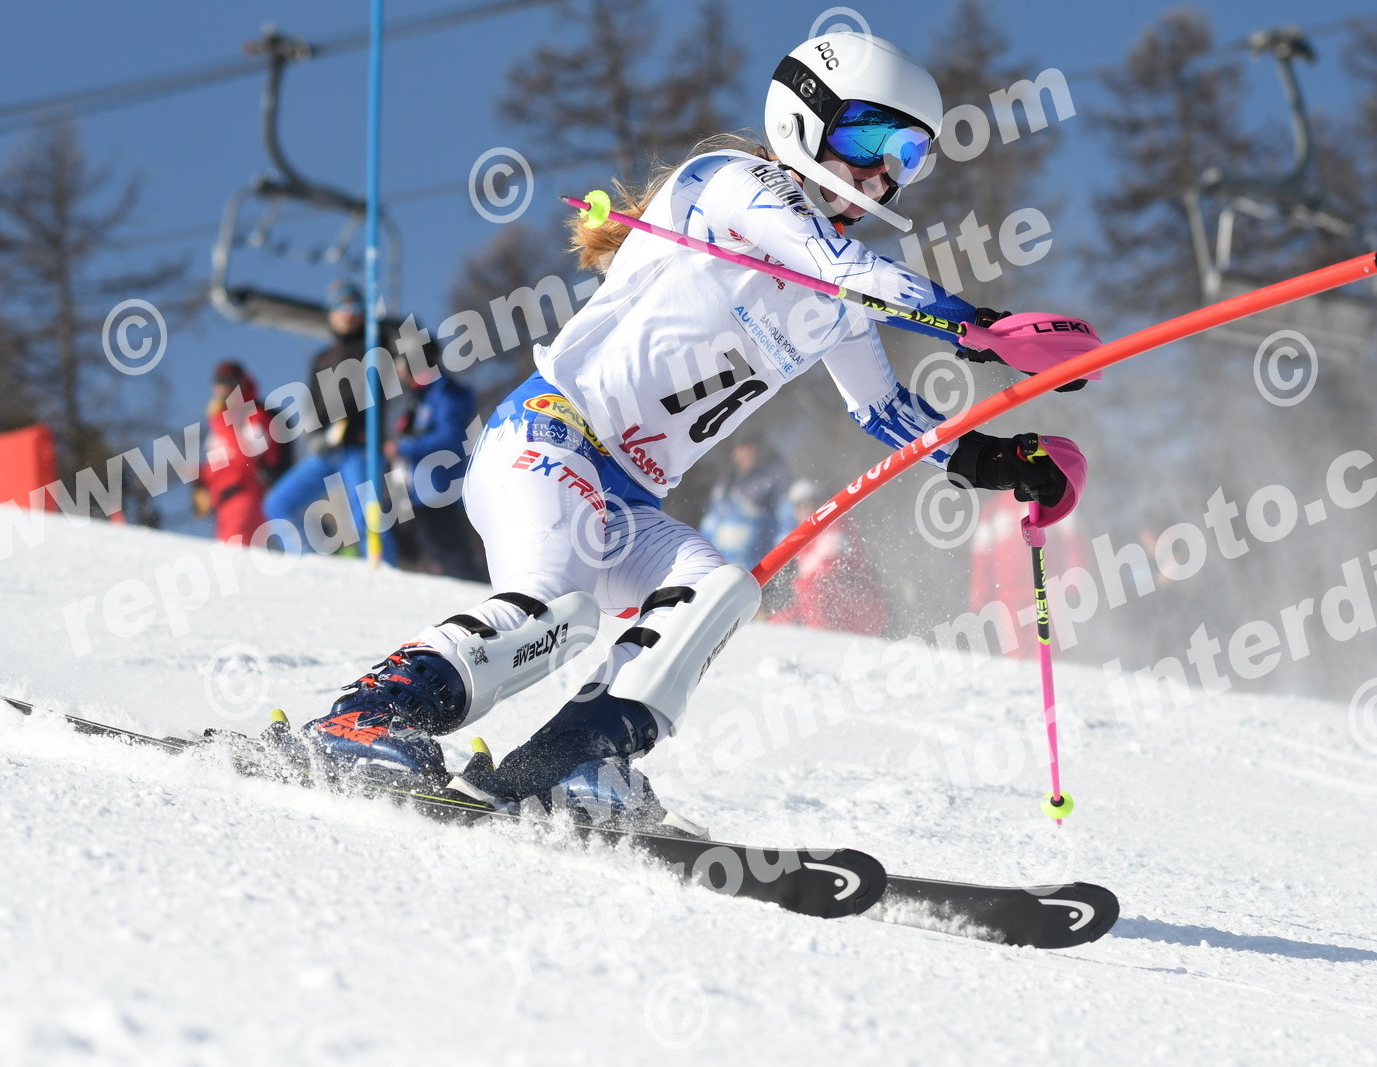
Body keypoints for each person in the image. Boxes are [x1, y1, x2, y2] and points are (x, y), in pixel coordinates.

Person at [294, 32, 1080, 831]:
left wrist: (996, 458)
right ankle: (365, 718)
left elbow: (883, 409)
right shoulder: (733, 184)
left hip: (627, 501)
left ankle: (567, 762)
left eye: (907, 154)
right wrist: (982, 326)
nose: (881, 171)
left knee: (719, 589)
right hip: (549, 439)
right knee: (553, 615)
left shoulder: (837, 295)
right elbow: (841, 268)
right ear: (804, 117)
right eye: (869, 137)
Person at [262, 280, 397, 564]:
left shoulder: (373, 344)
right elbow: (312, 404)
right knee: (278, 503)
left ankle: (384, 567)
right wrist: (313, 435)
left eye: (354, 306)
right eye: (339, 306)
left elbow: (366, 389)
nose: (347, 313)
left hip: (361, 448)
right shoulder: (322, 359)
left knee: (366, 515)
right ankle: (306, 563)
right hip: (328, 451)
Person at [386, 350, 486, 581]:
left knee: (452, 555)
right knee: (433, 550)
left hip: (439, 489)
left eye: (404, 369)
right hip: (420, 490)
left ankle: (473, 590)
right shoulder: (421, 397)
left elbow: (450, 438)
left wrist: (404, 447)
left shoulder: (446, 394)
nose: (401, 376)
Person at [768, 480, 889, 635]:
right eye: (799, 505)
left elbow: (826, 570)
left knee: (809, 587)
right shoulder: (806, 538)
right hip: (832, 608)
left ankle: (822, 641)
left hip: (863, 607)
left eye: (811, 502)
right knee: (780, 620)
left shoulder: (836, 524)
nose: (806, 508)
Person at [193, 361, 278, 545]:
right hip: (222, 505)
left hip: (246, 499)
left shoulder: (255, 414)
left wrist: (220, 421)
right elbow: (218, 462)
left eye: (230, 382)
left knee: (236, 555)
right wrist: (200, 481)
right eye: (220, 382)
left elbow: (248, 457)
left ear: (241, 384)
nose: (224, 388)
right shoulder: (220, 422)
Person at [698, 432, 792, 569]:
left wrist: (783, 551)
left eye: (751, 447)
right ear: (735, 453)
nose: (748, 452)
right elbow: (711, 521)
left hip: (756, 563)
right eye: (743, 447)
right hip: (722, 563)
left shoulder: (770, 480)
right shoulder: (725, 483)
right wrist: (702, 553)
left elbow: (785, 517)